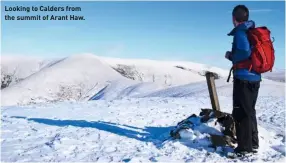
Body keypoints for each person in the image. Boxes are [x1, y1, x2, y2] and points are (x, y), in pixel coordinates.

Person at [225, 5, 261, 155]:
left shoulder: (240, 31)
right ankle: (253, 142)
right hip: (255, 77)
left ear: (234, 18)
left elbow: (245, 51)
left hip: (243, 78)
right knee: (250, 111)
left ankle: (244, 149)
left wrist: (231, 56)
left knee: (241, 113)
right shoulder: (251, 30)